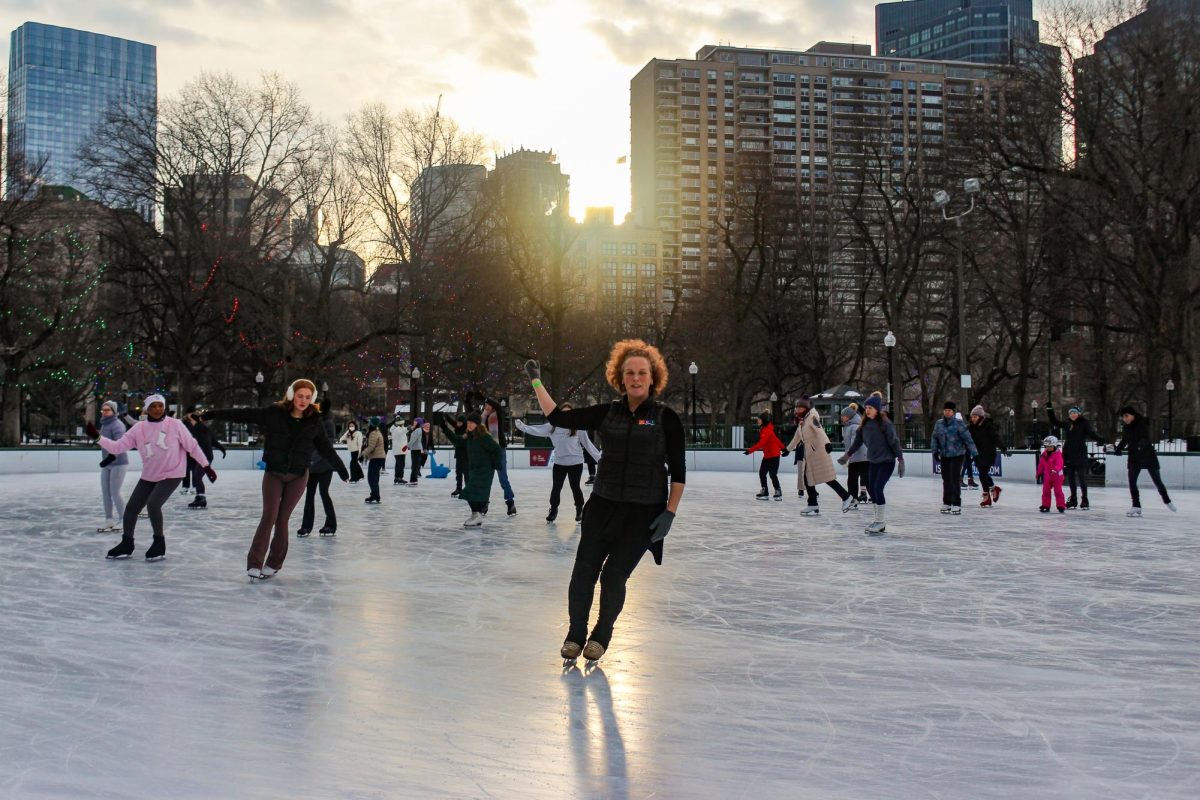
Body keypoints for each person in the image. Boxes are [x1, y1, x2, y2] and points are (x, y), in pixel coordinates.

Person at [526, 339, 685, 664]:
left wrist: (669, 513)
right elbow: (559, 417)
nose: (636, 378)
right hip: (603, 506)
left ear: (652, 377)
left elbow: (679, 472)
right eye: (630, 373)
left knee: (613, 576)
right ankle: (575, 634)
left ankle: (601, 635)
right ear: (620, 377)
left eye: (642, 372)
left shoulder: (666, 418)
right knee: (583, 571)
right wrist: (536, 380)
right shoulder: (607, 413)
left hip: (643, 514)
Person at [189, 379, 348, 579]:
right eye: (300, 396)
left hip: (298, 475)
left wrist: (342, 469)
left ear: (313, 399)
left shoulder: (314, 420)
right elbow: (242, 415)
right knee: (269, 516)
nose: (303, 400)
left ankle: (273, 563)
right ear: (291, 395)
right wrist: (210, 414)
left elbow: (326, 448)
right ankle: (255, 563)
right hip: (274, 473)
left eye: (308, 397)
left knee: (282, 519)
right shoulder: (274, 413)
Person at [87, 394, 215, 561]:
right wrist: (98, 437)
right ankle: (127, 543)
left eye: (160, 406)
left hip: (172, 473)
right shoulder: (139, 428)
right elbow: (118, 447)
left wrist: (206, 466)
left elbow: (192, 446)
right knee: (132, 508)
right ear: (147, 409)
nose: (157, 409)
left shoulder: (175, 424)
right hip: (150, 475)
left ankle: (159, 544)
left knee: (153, 505)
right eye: (153, 406)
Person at [515, 404, 602, 522]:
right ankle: (553, 510)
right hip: (559, 463)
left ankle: (579, 509)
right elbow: (537, 430)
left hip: (575, 463)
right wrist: (523, 427)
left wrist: (600, 459)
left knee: (575, 487)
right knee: (556, 487)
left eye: (569, 413)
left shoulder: (578, 427)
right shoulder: (552, 426)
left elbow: (588, 445)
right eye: (564, 413)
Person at [838, 394, 905, 535]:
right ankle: (878, 521)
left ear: (877, 409)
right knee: (872, 490)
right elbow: (857, 442)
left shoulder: (885, 424)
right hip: (873, 462)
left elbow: (894, 442)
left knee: (877, 488)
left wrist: (900, 459)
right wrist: (847, 455)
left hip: (886, 462)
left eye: (871, 408)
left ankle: (880, 522)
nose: (867, 410)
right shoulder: (864, 425)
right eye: (866, 407)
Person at [786, 397, 855, 515]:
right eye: (797, 407)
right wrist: (788, 449)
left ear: (806, 408)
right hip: (810, 455)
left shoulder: (811, 418)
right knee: (808, 479)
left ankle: (847, 498)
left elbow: (820, 431)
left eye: (800, 407)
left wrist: (827, 443)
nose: (798, 409)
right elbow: (797, 437)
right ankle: (812, 503)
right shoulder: (803, 420)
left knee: (828, 478)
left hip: (818, 453)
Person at [441, 411, 503, 526]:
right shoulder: (469, 437)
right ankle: (476, 515)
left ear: (477, 424)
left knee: (470, 492)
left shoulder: (484, 437)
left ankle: (477, 515)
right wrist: (444, 428)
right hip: (474, 470)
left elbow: (496, 450)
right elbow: (457, 440)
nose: (469, 425)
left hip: (484, 470)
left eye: (471, 423)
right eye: (468, 422)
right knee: (473, 493)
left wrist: (496, 464)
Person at [1113, 405, 1176, 517]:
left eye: (1126, 416)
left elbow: (1145, 438)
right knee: (1132, 481)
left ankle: (1167, 501)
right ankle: (1136, 505)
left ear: (1132, 415)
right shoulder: (1126, 427)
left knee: (1157, 481)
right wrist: (1118, 449)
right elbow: (1125, 439)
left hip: (1147, 456)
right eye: (1123, 417)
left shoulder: (1141, 424)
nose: (1124, 419)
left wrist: (1140, 446)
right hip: (1134, 458)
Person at [297, 398, 343, 537]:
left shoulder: (328, 423)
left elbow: (326, 445)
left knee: (324, 493)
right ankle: (306, 526)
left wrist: (312, 459)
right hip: (311, 467)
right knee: (309, 495)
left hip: (324, 466)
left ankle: (331, 525)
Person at [1047, 404, 1106, 509]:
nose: (1072, 415)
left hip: (1080, 455)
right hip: (1069, 454)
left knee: (1082, 478)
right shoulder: (1067, 423)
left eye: (1074, 413)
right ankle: (1073, 499)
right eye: (1070, 413)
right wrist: (1049, 409)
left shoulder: (1084, 423)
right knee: (1071, 479)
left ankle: (1085, 500)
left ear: (1079, 414)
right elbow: (1054, 421)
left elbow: (1091, 433)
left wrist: (1101, 439)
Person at [930, 401, 977, 514]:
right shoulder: (939, 424)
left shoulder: (959, 424)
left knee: (955, 478)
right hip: (945, 455)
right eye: (945, 410)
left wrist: (975, 453)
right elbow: (934, 438)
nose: (947, 412)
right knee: (946, 479)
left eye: (949, 410)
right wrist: (935, 451)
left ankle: (956, 503)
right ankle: (947, 502)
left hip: (958, 455)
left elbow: (968, 439)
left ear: (953, 412)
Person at [181, 410, 227, 509]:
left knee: (197, 477)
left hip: (204, 457)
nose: (189, 421)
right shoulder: (201, 428)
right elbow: (213, 441)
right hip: (202, 456)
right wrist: (222, 449)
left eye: (190, 419)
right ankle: (200, 497)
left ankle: (201, 498)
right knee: (197, 477)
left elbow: (212, 440)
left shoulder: (198, 428)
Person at [96, 400, 129, 532]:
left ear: (114, 412)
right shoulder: (104, 425)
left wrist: (110, 457)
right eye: (103, 410)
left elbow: (120, 445)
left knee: (115, 492)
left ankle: (124, 519)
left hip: (118, 463)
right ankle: (109, 519)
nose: (104, 412)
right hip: (107, 463)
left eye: (107, 410)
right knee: (106, 493)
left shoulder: (117, 425)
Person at [967, 405, 1008, 508]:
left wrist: (1003, 448)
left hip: (989, 454)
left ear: (980, 417)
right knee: (983, 473)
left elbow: (996, 437)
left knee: (982, 474)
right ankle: (994, 489)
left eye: (975, 417)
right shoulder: (971, 427)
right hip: (977, 454)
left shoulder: (988, 426)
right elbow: (967, 439)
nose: (973, 419)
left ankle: (987, 497)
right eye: (972, 417)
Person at [482, 396, 517, 516]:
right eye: (485, 405)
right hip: (487, 451)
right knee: (487, 478)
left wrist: (486, 399)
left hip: (499, 449)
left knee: (503, 478)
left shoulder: (498, 415)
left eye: (488, 405)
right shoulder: (483, 418)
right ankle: (484, 503)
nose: (486, 407)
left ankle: (510, 503)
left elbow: (496, 405)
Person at [743, 412, 784, 501]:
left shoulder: (767, 430)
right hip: (767, 456)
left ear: (763, 420)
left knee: (772, 474)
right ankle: (764, 491)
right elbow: (776, 439)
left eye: (759, 419)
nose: (757, 420)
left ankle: (778, 491)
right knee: (762, 473)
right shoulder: (763, 429)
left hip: (774, 455)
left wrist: (750, 450)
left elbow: (762, 443)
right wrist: (784, 448)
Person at [839, 405, 869, 504]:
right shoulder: (849, 426)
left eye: (843, 416)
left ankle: (854, 498)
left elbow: (855, 443)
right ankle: (854, 498)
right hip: (855, 457)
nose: (841, 417)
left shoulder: (855, 426)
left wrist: (848, 455)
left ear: (848, 416)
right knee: (853, 479)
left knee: (854, 479)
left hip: (860, 457)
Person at [1036, 435, 1066, 513]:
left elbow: (1060, 464)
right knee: (1045, 491)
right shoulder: (1044, 454)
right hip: (1047, 477)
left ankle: (1061, 505)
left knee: (1058, 491)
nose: (1048, 448)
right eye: (1047, 446)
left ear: (1055, 445)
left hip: (1057, 477)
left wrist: (1055, 470)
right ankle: (1045, 505)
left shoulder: (1058, 454)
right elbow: (1041, 464)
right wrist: (1038, 473)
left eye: (1050, 446)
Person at [441, 415, 470, 496]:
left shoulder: (467, 430)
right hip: (458, 453)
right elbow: (453, 422)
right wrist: (446, 416)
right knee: (458, 472)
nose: (458, 423)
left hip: (466, 454)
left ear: (463, 423)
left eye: (460, 422)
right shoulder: (457, 427)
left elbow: (457, 440)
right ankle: (459, 488)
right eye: (458, 422)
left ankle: (468, 488)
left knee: (467, 472)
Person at [361, 416, 387, 503]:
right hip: (379, 457)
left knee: (371, 478)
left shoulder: (374, 433)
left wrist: (362, 455)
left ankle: (376, 495)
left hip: (376, 458)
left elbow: (371, 447)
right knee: (374, 478)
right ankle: (374, 495)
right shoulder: (376, 432)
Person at [407, 417, 429, 485]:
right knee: (415, 465)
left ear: (418, 423)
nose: (414, 422)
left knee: (414, 466)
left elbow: (413, 440)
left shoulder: (418, 430)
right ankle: (414, 480)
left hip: (416, 450)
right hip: (415, 449)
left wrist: (407, 446)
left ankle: (413, 480)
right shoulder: (417, 429)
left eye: (415, 421)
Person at [391, 417, 409, 484]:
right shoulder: (396, 429)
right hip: (400, 450)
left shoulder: (397, 428)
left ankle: (397, 477)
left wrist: (408, 429)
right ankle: (399, 478)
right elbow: (400, 432)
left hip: (399, 450)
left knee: (398, 464)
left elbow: (403, 430)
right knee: (401, 464)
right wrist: (407, 428)